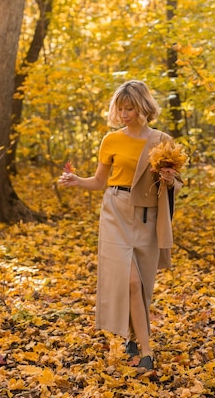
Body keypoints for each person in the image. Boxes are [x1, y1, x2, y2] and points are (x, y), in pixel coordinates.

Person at [58, 80, 182, 371]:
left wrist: (168, 179)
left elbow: (175, 181)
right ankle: (147, 352)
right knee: (131, 281)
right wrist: (78, 181)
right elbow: (100, 181)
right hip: (115, 210)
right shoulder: (111, 140)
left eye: (129, 108)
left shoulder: (162, 140)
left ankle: (131, 340)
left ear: (143, 107)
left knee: (143, 285)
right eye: (120, 108)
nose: (124, 114)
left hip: (147, 216)